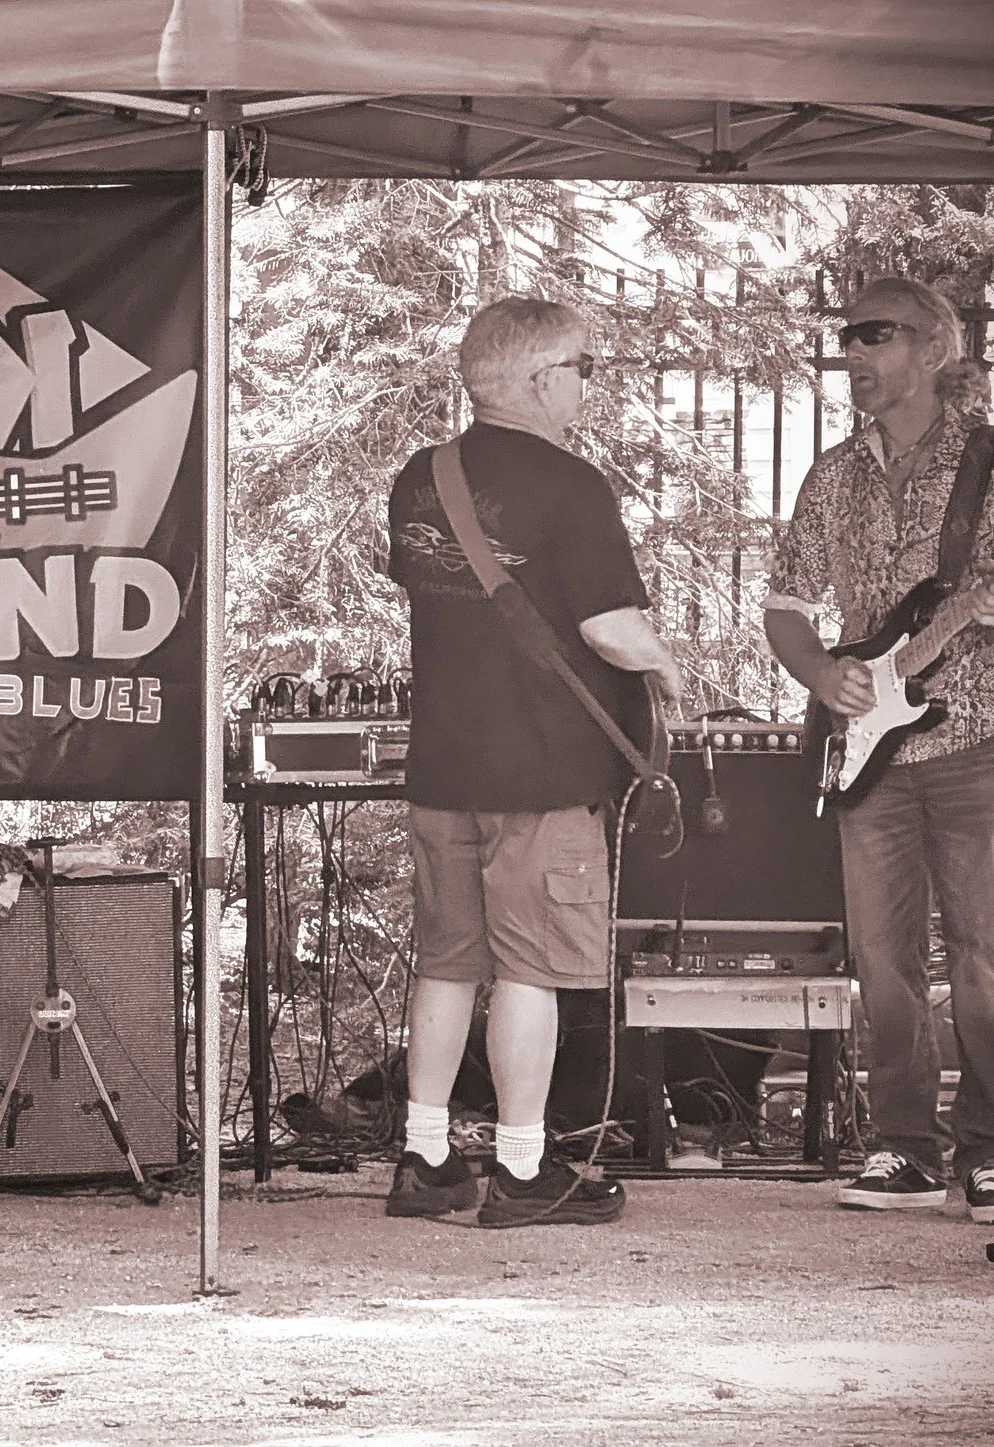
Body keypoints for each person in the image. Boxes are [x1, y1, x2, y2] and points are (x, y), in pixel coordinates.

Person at [763, 276, 994, 1224]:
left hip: (979, 743)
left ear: (934, 349)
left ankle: (991, 1151)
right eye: (846, 335)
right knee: (881, 957)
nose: (850, 350)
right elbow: (782, 609)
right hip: (869, 751)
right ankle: (902, 1145)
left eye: (872, 334)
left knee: (984, 952)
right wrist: (823, 676)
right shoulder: (833, 475)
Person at [382, 295, 683, 1227]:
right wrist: (669, 660)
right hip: (543, 772)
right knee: (528, 971)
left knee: (445, 963)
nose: (589, 386)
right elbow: (607, 627)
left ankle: (424, 1159)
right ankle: (522, 1172)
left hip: (441, 765)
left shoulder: (417, 478)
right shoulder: (572, 485)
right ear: (541, 377)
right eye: (585, 368)